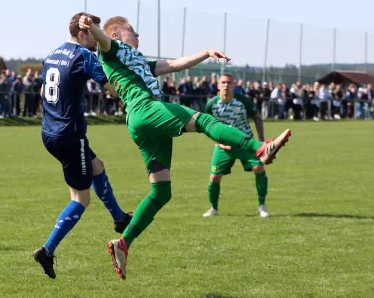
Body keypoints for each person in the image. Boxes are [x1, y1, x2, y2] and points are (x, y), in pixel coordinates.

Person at [78, 15, 291, 280]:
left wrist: (205, 52)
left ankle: (123, 243)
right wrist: (91, 26)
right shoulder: (114, 50)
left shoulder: (140, 60)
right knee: (203, 120)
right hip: (146, 110)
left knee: (161, 191)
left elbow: (175, 64)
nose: (138, 34)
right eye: (132, 30)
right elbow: (102, 39)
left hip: (143, 123)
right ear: (119, 36)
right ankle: (260, 148)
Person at [33, 13, 132, 279]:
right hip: (70, 134)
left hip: (49, 132)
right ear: (82, 33)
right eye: (94, 32)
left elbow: (43, 92)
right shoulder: (84, 56)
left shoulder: (53, 54)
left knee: (97, 166)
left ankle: (119, 217)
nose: (97, 38)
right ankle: (48, 250)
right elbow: (111, 87)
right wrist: (132, 89)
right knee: (81, 199)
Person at [203, 73, 270, 218]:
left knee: (259, 168)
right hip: (223, 147)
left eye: (229, 83)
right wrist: (218, 143)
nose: (226, 85)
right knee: (214, 177)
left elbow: (257, 117)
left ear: (234, 85)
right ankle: (213, 208)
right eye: (223, 82)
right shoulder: (211, 104)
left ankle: (262, 206)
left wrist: (261, 141)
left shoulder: (242, 101)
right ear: (218, 85)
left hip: (245, 143)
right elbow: (206, 127)